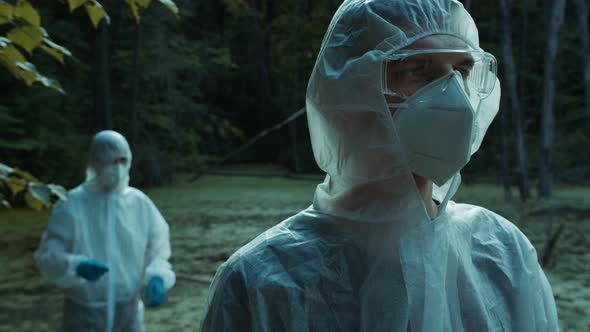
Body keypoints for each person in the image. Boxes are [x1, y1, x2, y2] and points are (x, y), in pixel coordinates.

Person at [201, 1, 558, 331]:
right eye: (418, 70)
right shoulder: (263, 281)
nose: (457, 97)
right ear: (347, 92)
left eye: (462, 70)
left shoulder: (502, 253)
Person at [34, 130, 175, 332]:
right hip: (84, 315)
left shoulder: (139, 203)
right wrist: (76, 265)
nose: (117, 168)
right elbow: (48, 255)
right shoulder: (72, 203)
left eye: (122, 160)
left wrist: (158, 276)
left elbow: (158, 247)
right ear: (95, 162)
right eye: (110, 161)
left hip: (129, 313)